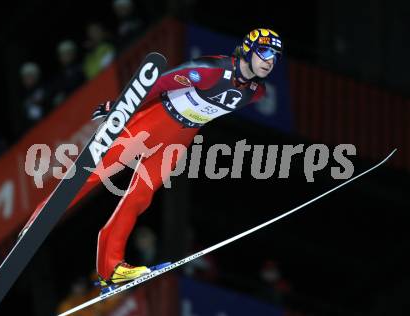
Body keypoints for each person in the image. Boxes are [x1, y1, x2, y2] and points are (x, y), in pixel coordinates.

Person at [21, 28, 283, 287]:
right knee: (95, 170)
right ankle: (39, 220)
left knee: (140, 197)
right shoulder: (212, 69)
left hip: (181, 137)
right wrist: (121, 106)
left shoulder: (255, 93)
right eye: (265, 52)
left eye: (274, 56)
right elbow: (160, 81)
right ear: (248, 49)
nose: (269, 61)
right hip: (155, 119)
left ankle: (110, 268)